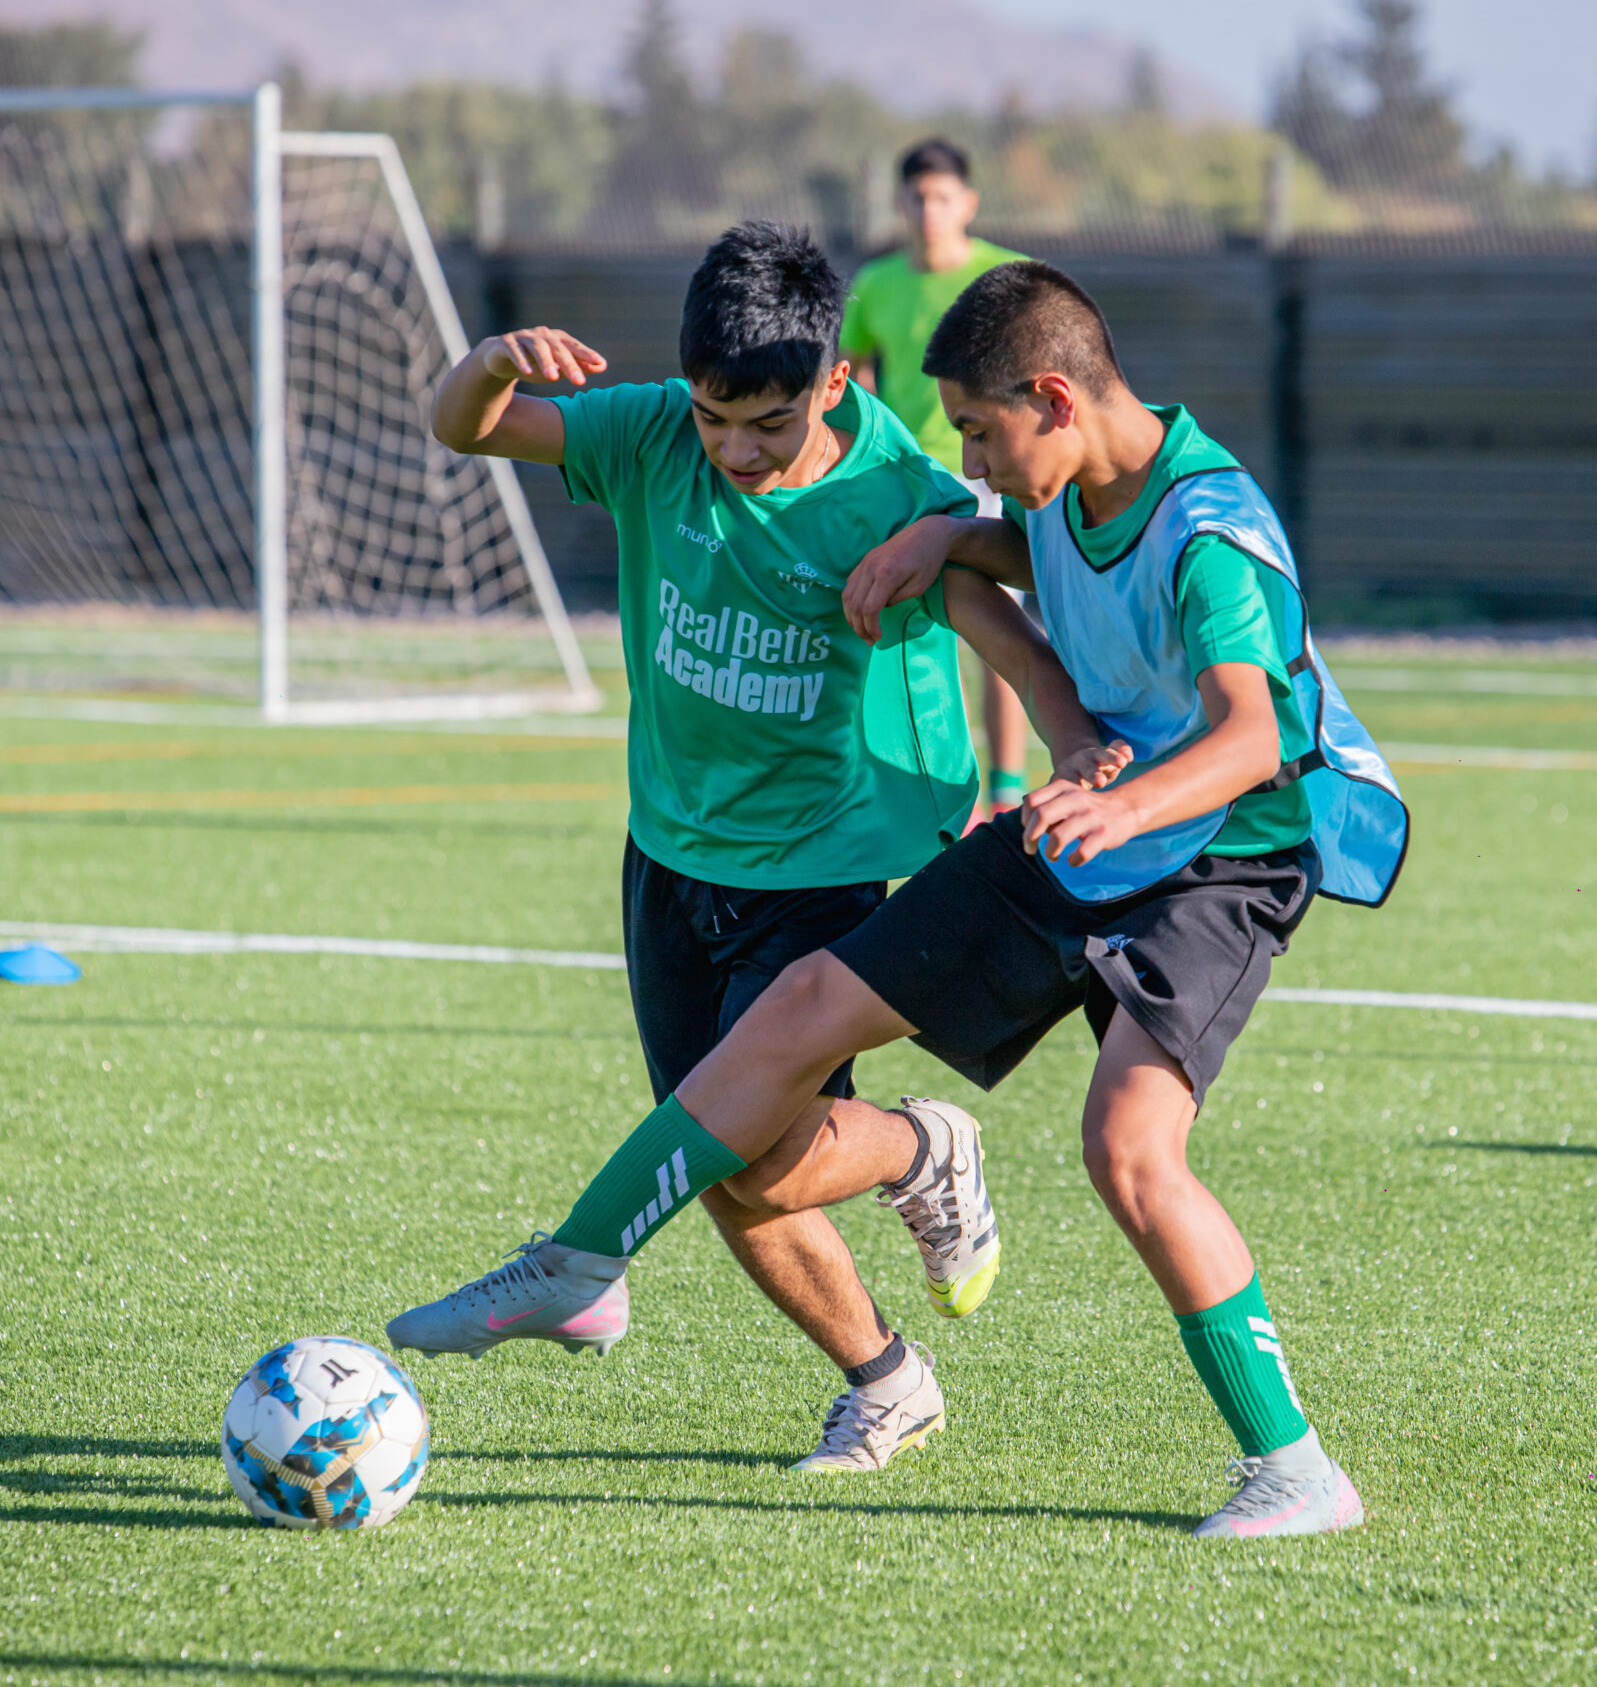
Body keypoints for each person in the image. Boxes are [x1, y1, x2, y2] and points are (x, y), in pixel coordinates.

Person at [396, 260, 1411, 1537]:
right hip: (1092, 815)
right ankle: (578, 1260)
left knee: (1127, 1149)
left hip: (1218, 855)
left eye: (980, 434)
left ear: (1052, 400)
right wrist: (949, 539)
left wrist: (1113, 800)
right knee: (803, 1011)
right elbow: (1031, 554)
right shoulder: (1073, 483)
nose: (969, 464)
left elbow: (1250, 736)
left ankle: (1296, 1470)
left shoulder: (1213, 533)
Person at [388, 224, 1119, 1472]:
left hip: (824, 868)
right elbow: (467, 427)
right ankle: (888, 1372)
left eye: (768, 424)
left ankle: (879, 1167)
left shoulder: (895, 494)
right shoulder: (649, 436)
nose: (734, 449)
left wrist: (1072, 749)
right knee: (719, 1164)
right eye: (714, 418)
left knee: (744, 1156)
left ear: (834, 383)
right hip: (670, 856)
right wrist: (492, 360)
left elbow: (1011, 638)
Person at [837, 139, 1031, 829]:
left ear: (967, 203)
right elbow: (855, 385)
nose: (928, 210)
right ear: (900, 202)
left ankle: (1008, 789)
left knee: (999, 632)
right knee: (906, 636)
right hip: (906, 485)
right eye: (917, 197)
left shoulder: (1004, 276)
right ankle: (921, 788)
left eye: (942, 197)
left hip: (987, 475)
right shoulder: (876, 283)